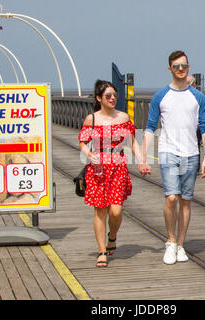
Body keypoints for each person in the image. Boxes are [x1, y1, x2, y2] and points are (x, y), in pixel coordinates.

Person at [139, 50, 205, 265]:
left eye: (185, 66)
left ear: (189, 68)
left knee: (186, 202)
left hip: (191, 153)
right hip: (168, 151)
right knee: (171, 197)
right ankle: (170, 242)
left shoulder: (197, 97)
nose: (181, 69)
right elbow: (150, 127)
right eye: (177, 66)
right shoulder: (161, 96)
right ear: (169, 69)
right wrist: (143, 158)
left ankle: (181, 244)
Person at [78, 80, 143, 268]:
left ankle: (112, 236)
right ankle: (101, 251)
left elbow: (133, 142)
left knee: (116, 210)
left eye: (115, 95)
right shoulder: (92, 119)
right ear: (99, 98)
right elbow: (82, 142)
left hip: (117, 168)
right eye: (108, 96)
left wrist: (141, 161)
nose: (113, 98)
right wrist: (90, 154)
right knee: (100, 211)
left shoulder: (123, 117)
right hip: (97, 170)